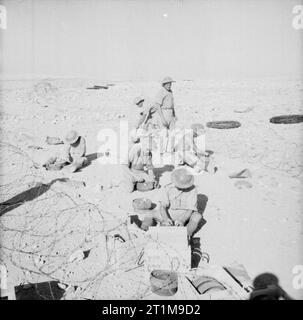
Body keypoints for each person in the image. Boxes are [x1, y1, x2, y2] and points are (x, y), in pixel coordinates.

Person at [138, 167, 202, 237]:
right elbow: (162, 206)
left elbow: (190, 209)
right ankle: (142, 232)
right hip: (169, 215)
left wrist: (182, 220)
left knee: (197, 216)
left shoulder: (193, 190)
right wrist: (166, 219)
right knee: (150, 213)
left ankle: (186, 235)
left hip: (184, 216)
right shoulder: (168, 188)